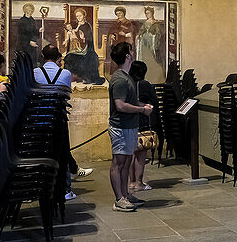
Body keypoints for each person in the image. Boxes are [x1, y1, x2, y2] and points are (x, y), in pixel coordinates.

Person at [35, 44, 93, 200]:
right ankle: (66, 189)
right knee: (62, 151)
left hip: (39, 119)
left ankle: (37, 186)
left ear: (42, 56)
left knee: (39, 152)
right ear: (58, 58)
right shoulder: (65, 74)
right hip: (58, 118)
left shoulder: (34, 73)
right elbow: (66, 95)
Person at [107, 43, 153, 212]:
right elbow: (120, 105)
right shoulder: (119, 79)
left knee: (126, 162)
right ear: (127, 56)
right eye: (131, 51)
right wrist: (142, 110)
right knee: (118, 163)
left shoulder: (126, 77)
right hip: (121, 127)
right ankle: (119, 199)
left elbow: (130, 102)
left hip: (129, 126)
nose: (133, 54)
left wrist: (143, 105)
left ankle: (125, 195)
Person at [128, 60, 156, 193]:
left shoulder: (127, 82)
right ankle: (139, 182)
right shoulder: (144, 84)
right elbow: (153, 100)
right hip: (142, 120)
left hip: (129, 120)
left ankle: (131, 181)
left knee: (131, 152)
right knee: (141, 152)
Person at [136, 7, 164, 83]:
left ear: (152, 13)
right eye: (146, 13)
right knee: (145, 56)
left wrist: (153, 36)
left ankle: (153, 75)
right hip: (144, 41)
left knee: (152, 57)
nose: (147, 15)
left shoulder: (156, 23)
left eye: (148, 13)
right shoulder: (145, 23)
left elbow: (158, 33)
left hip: (152, 41)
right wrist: (139, 35)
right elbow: (141, 31)